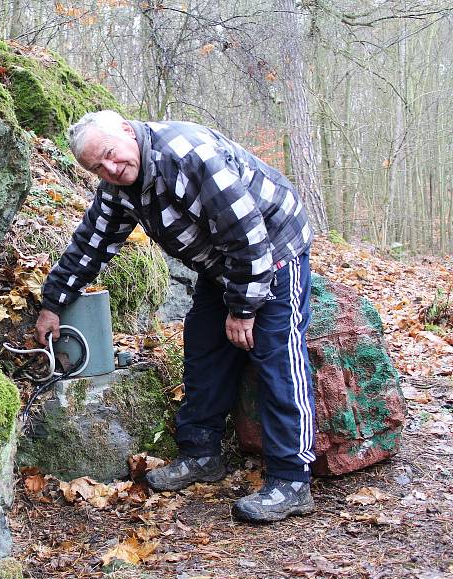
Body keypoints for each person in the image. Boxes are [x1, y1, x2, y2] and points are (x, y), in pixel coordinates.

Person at [35, 110, 316, 523]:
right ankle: (201, 454)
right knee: (203, 347)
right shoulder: (119, 188)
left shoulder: (189, 155)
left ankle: (292, 479)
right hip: (218, 262)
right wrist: (53, 303)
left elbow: (248, 235)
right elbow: (91, 243)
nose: (111, 169)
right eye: (98, 167)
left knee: (276, 356)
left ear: (128, 132)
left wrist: (243, 308)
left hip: (273, 251)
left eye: (112, 155)